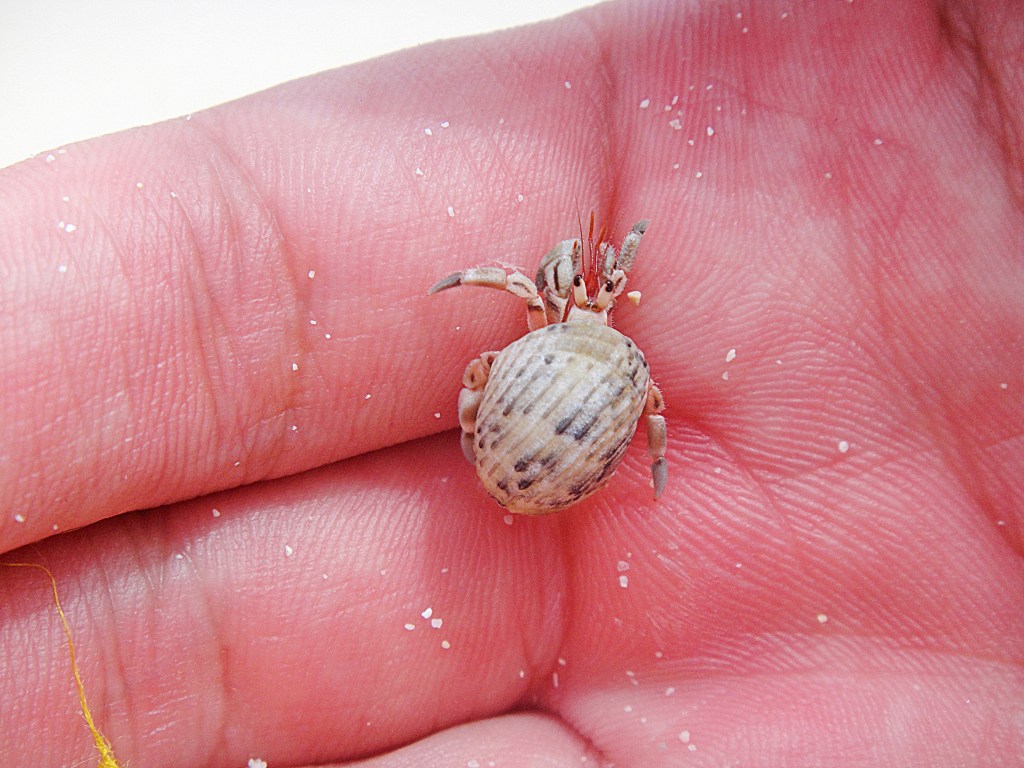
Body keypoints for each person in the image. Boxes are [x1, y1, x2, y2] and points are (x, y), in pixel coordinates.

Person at [2, 1, 1022, 765]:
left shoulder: (591, 345)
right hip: (551, 428)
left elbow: (607, 383)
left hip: (548, 423)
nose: (593, 280)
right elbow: (642, 411)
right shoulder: (622, 360)